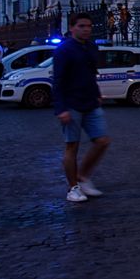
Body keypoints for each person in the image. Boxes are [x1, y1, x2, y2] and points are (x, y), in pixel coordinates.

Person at [53, 13, 109, 203]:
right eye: (82, 26)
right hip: (71, 103)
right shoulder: (64, 50)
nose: (86, 29)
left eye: (89, 26)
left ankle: (83, 176)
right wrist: (61, 109)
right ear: (72, 28)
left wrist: (97, 93)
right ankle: (73, 188)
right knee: (72, 146)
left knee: (102, 141)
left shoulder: (92, 47)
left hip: (91, 101)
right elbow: (58, 81)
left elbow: (92, 73)